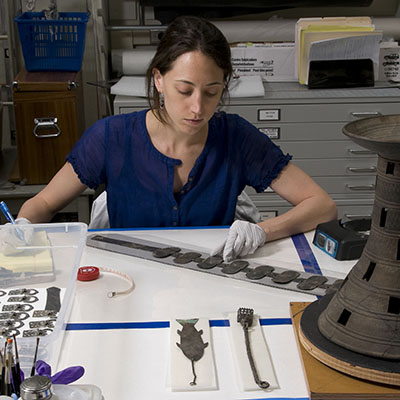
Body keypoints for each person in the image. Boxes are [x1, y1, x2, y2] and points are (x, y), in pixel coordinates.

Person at [15, 15, 337, 261]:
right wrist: (22, 229)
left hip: (209, 277)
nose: (198, 108)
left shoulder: (236, 137)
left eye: (212, 92)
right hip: (129, 279)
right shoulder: (111, 138)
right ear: (158, 79)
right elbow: (43, 203)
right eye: (184, 90)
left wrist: (262, 231)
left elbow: (322, 206)